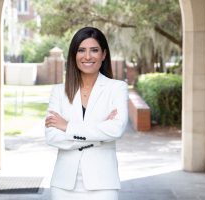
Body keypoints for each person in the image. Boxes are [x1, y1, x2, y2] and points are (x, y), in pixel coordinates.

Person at [45, 26, 128, 200]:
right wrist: (99, 137)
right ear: (74, 55)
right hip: (63, 185)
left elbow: (116, 129)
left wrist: (67, 126)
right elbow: (52, 136)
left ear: (104, 55)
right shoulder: (59, 92)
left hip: (103, 184)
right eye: (81, 50)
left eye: (94, 50)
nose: (88, 56)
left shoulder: (116, 88)